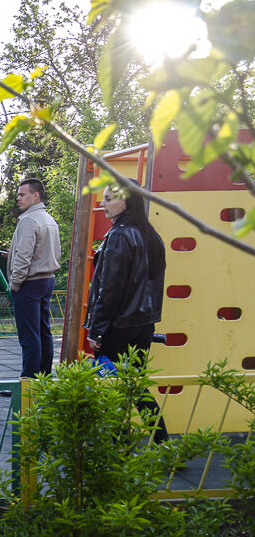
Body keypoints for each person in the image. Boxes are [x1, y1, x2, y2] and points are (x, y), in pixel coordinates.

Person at [84, 181, 169, 443]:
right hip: (143, 323)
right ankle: (162, 442)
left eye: (109, 199)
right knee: (134, 385)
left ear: (126, 201)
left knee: (112, 387)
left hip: (118, 326)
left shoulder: (120, 235)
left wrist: (96, 330)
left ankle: (115, 446)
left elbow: (110, 289)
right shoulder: (150, 235)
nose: (103, 203)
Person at [7, 178, 61, 380]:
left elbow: (24, 256)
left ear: (35, 195)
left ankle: (27, 384)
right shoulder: (48, 218)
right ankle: (43, 378)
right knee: (43, 332)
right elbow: (51, 251)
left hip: (29, 283)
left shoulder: (29, 220)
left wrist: (15, 283)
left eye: (22, 194)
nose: (18, 198)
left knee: (29, 336)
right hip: (46, 279)